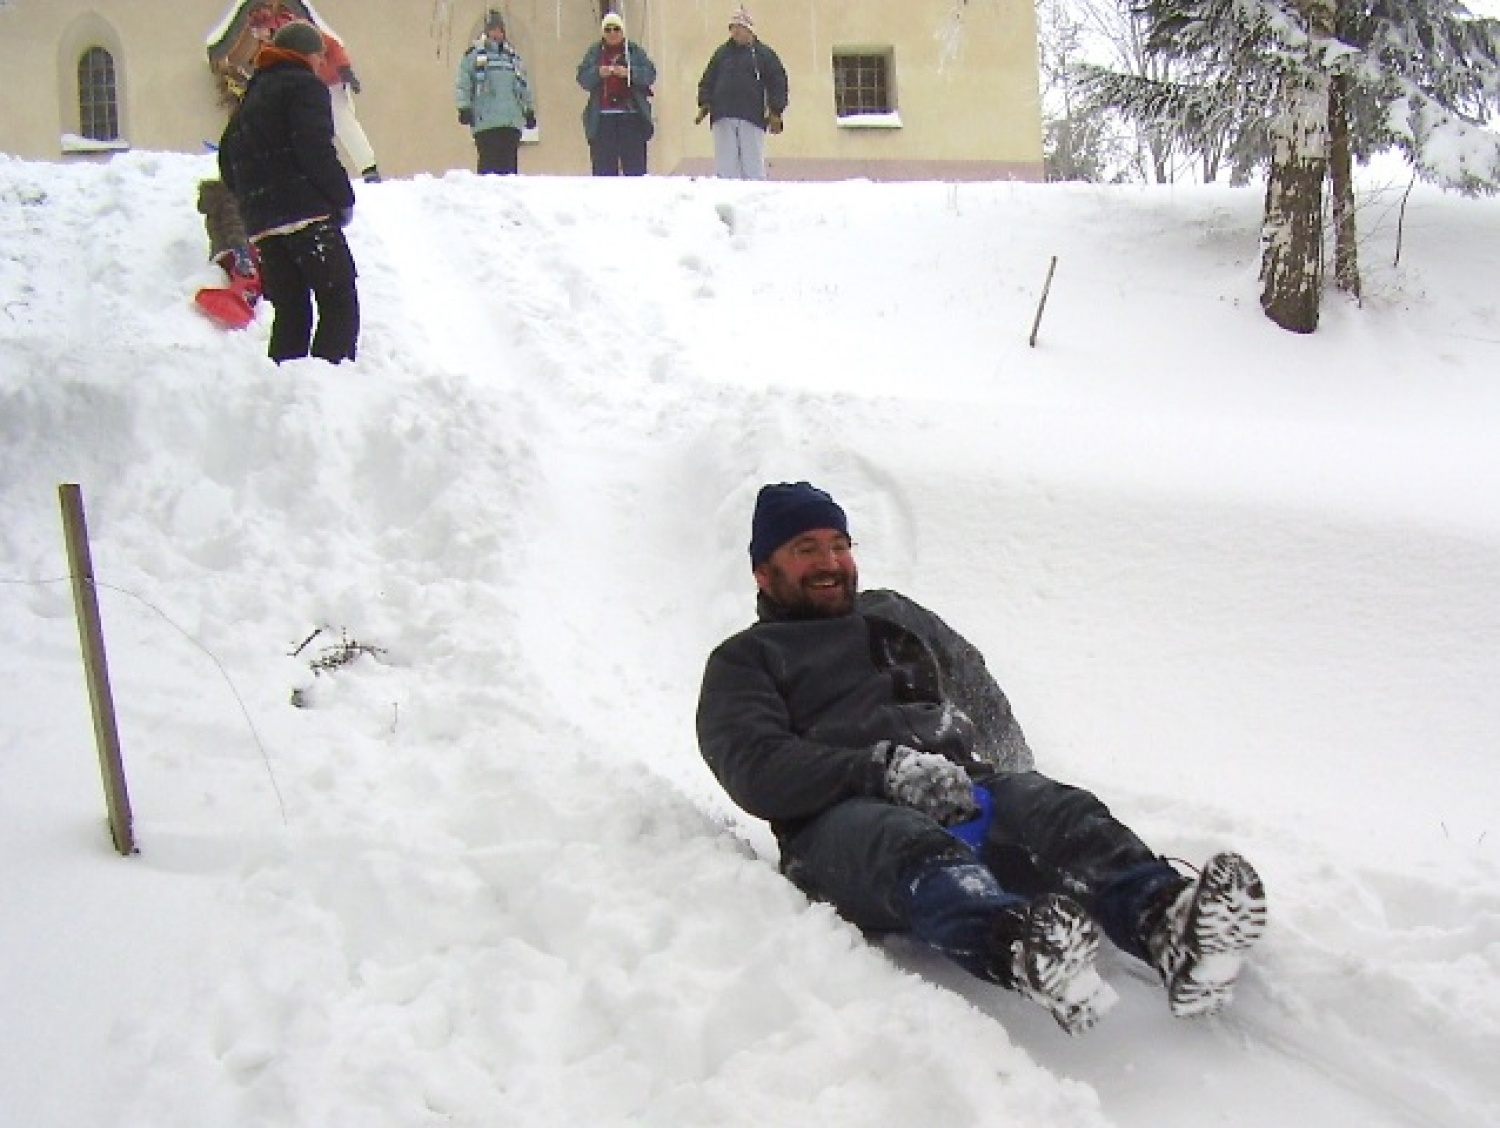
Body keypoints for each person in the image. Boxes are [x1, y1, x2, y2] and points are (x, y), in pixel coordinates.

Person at [696, 482, 1268, 1034]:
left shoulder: (892, 615)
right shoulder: (745, 661)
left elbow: (973, 682)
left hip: (960, 791)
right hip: (841, 826)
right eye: (806, 550)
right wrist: (882, 769)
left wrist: (1018, 777)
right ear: (763, 571)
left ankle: (1168, 924)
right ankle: (1024, 949)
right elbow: (755, 766)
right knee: (899, 836)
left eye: (839, 546)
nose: (830, 561)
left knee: (1057, 811)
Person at [218, 20, 359, 364]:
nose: (319, 65)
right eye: (318, 57)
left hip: (265, 227)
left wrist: (255, 201)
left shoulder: (253, 94)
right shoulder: (304, 87)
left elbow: (226, 158)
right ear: (306, 55)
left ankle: (286, 391)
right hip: (306, 216)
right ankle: (329, 385)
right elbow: (315, 150)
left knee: (292, 312)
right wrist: (342, 199)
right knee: (339, 301)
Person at [248, 0, 381, 183]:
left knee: (342, 121)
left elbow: (332, 46)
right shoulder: (272, 44)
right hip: (308, 86)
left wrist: (344, 69)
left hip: (330, 81)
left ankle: (368, 168)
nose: (256, 34)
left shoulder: (296, 32)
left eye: (256, 29)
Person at [694, 6, 788, 180]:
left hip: (752, 116)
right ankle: (728, 199)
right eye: (733, 27)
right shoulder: (721, 54)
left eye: (740, 27)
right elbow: (708, 80)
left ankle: (754, 200)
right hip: (723, 115)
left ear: (749, 30)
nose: (736, 31)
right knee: (726, 165)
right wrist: (704, 102)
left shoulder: (764, 55)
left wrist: (776, 111)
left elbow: (778, 83)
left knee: (753, 165)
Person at [454, 10, 536, 176]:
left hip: (510, 121)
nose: (496, 33)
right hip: (486, 122)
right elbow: (463, 83)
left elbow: (522, 87)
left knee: (509, 170)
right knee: (489, 169)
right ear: (486, 31)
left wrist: (529, 111)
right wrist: (464, 107)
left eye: (499, 29)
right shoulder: (474, 56)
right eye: (492, 29)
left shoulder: (513, 58)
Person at [575, 12, 657, 176]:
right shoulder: (595, 52)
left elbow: (650, 75)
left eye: (616, 29)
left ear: (623, 31)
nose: (612, 33)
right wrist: (598, 73)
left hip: (631, 116)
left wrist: (629, 73)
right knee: (603, 170)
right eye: (608, 29)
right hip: (603, 119)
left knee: (635, 169)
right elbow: (582, 78)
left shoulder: (634, 52)